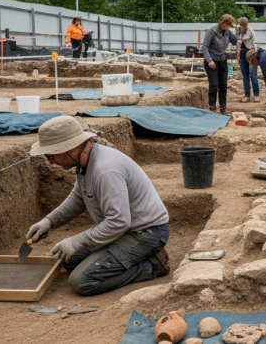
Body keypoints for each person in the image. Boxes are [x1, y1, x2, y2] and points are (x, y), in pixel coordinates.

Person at [25, 116, 170, 295]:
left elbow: (118, 222)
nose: (50, 161)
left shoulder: (105, 171)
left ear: (72, 148)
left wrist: (76, 241)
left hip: (146, 233)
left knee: (82, 281)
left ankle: (152, 265)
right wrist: (49, 221)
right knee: (68, 260)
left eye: (51, 155)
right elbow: (78, 197)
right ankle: (125, 258)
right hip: (123, 230)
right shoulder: (84, 162)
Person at [201, 14, 237, 115]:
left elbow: (237, 41)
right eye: (226, 25)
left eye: (229, 26)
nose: (227, 27)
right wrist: (209, 60)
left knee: (223, 86)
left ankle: (223, 108)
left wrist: (246, 42)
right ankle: (212, 108)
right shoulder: (211, 31)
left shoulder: (228, 32)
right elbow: (204, 47)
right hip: (212, 61)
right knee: (213, 85)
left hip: (222, 60)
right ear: (222, 22)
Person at [236, 17, 259, 103]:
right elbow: (236, 41)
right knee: (245, 75)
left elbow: (250, 40)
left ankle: (256, 95)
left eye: (245, 25)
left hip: (251, 53)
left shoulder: (250, 30)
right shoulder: (238, 31)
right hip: (242, 54)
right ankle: (247, 95)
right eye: (243, 25)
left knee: (253, 75)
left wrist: (254, 53)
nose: (244, 27)